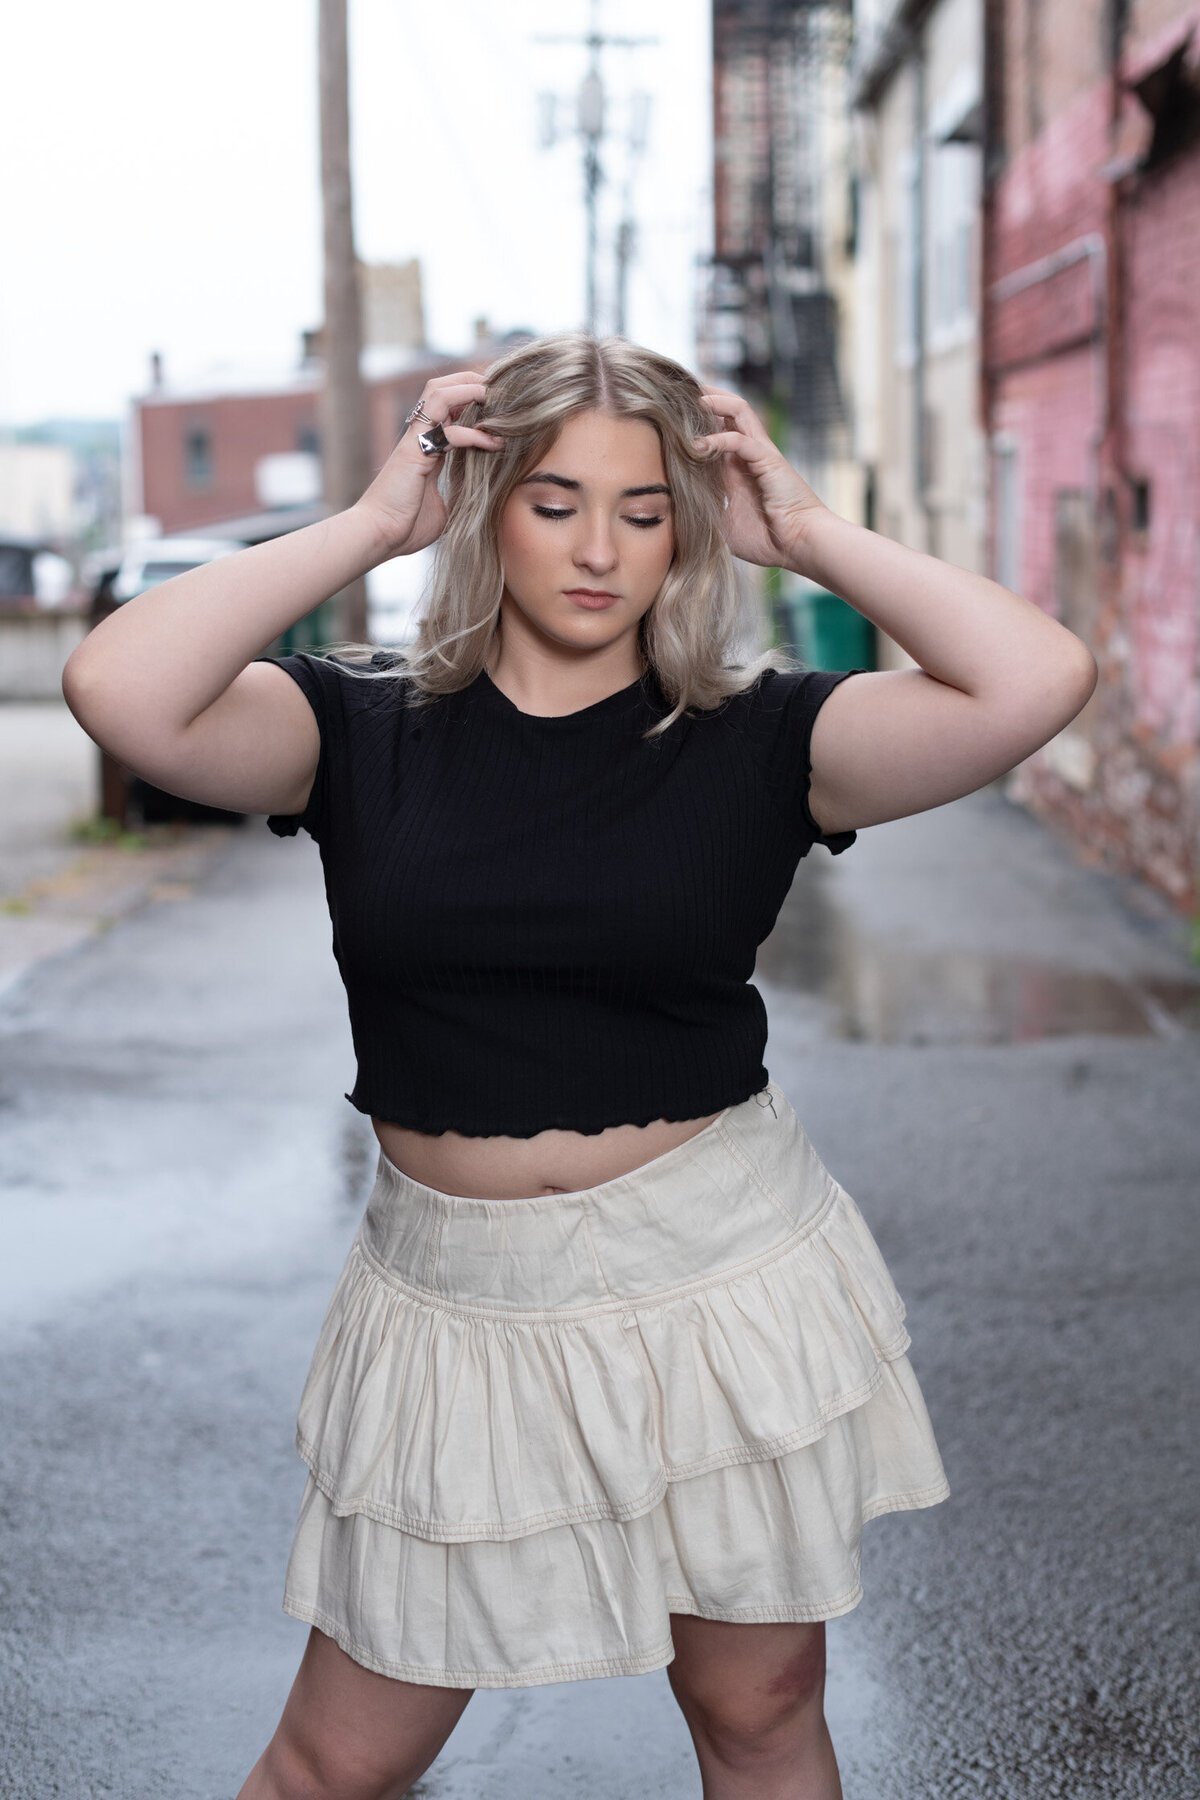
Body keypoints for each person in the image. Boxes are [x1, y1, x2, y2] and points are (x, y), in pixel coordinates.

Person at [62, 333, 1096, 1800]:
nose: (599, 547)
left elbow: (1037, 677)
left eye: (642, 505)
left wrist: (800, 531)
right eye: (553, 502)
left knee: (760, 1713)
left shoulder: (759, 741)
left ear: (687, 523)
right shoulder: (356, 731)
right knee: (333, 1764)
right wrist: (371, 526)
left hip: (716, 1273)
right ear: (487, 512)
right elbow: (120, 690)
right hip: (457, 1304)